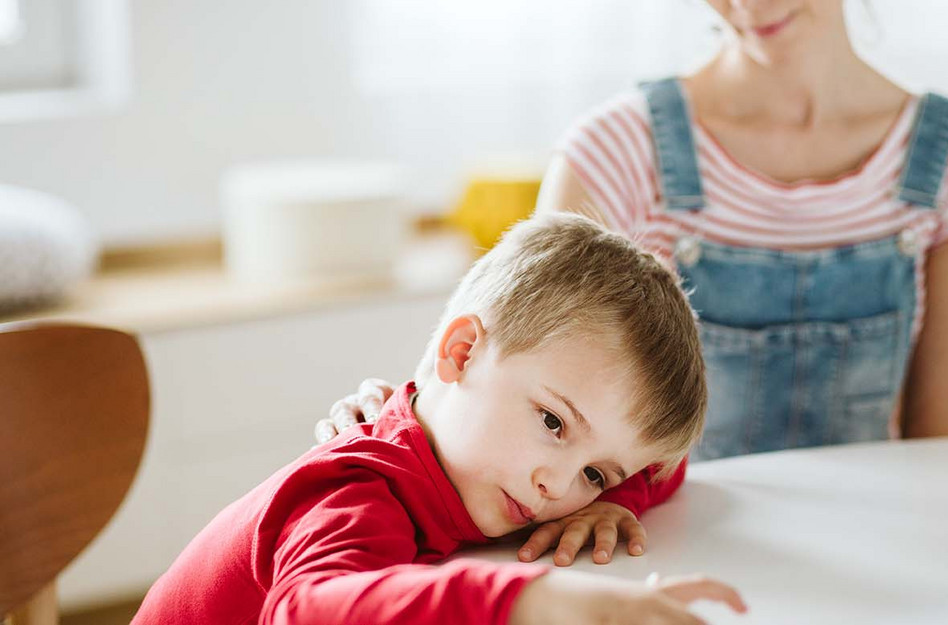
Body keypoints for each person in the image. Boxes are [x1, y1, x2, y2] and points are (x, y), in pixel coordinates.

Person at [319, 0, 948, 571]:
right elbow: (484, 371)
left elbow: (934, 454)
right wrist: (382, 417)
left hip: (867, 552)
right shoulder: (618, 148)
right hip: (660, 557)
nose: (749, 5)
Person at [133, 214, 746, 625]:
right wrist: (540, 601)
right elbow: (308, 609)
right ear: (463, 353)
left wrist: (615, 497)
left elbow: (664, 463)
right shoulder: (359, 485)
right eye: (554, 425)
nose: (557, 487)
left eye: (593, 473)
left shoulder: (486, 472)